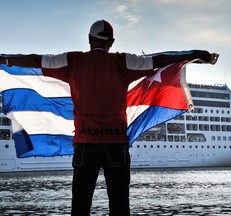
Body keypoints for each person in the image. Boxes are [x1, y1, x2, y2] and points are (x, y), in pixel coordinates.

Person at [0, 20, 216, 216]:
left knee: (80, 207)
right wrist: (195, 55)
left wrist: (7, 59)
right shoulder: (123, 62)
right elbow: (158, 60)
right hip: (116, 145)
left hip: (85, 145)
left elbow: (36, 60)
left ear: (89, 39)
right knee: (120, 207)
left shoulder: (72, 61)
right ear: (111, 42)